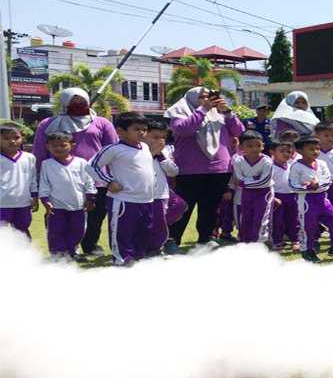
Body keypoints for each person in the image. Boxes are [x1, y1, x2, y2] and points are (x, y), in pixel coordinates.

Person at [33, 88, 119, 256]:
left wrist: (113, 177)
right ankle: (63, 247)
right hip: (58, 180)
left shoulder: (101, 122)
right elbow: (39, 152)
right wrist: (38, 179)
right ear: (65, 101)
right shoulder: (49, 123)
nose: (78, 104)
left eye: (81, 100)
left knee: (95, 215)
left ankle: (90, 244)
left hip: (96, 178)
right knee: (59, 216)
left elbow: (113, 150)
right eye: (73, 101)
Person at [165, 87, 244, 247]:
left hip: (219, 170)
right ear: (192, 98)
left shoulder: (220, 115)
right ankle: (172, 239)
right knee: (183, 207)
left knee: (211, 207)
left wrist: (227, 112)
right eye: (202, 97)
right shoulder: (180, 112)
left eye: (210, 97)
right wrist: (203, 110)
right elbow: (184, 129)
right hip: (189, 170)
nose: (208, 100)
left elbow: (238, 131)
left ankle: (206, 238)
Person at [88, 112, 155, 265]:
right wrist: (108, 182)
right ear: (120, 131)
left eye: (144, 129)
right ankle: (122, 260)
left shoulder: (144, 147)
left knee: (143, 232)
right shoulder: (114, 149)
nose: (142, 132)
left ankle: (138, 259)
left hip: (146, 200)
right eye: (136, 129)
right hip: (124, 201)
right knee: (123, 233)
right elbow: (91, 166)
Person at [288, 136, 333, 261]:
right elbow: (292, 185)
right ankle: (307, 250)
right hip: (306, 201)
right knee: (308, 227)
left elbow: (328, 180)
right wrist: (307, 187)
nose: (315, 152)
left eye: (317, 149)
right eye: (311, 149)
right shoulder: (296, 167)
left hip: (323, 199)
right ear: (300, 151)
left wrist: (316, 185)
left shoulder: (322, 164)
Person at [38, 131, 96, 259]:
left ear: (72, 146)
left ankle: (71, 251)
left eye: (63, 145)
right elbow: (44, 184)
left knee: (78, 231)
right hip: (56, 206)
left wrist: (90, 198)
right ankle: (58, 254)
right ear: (48, 147)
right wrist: (45, 200)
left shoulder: (81, 162)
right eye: (54, 146)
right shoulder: (47, 164)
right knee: (56, 231)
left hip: (78, 206)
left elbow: (88, 181)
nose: (58, 148)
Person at [232, 131, 274, 243]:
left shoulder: (267, 162)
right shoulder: (238, 160)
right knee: (246, 216)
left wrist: (245, 182)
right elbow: (238, 178)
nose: (255, 149)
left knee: (260, 218)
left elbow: (265, 181)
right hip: (246, 193)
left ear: (263, 146)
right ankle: (245, 241)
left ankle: (259, 243)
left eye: (258, 145)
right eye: (250, 146)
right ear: (241, 147)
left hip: (264, 193)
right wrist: (255, 178)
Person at [144, 122, 179, 255]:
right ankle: (143, 248)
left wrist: (161, 156)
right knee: (145, 223)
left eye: (163, 137)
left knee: (159, 224)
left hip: (160, 194)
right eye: (155, 137)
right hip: (142, 195)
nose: (160, 141)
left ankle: (156, 249)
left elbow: (173, 171)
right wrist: (152, 153)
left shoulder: (165, 151)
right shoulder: (138, 150)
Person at [0, 125, 38, 236]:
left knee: (22, 230)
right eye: (6, 138)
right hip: (2, 204)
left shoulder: (29, 158)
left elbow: (33, 179)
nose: (12, 141)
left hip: (23, 203)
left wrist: (34, 196)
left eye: (16, 138)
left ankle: (24, 252)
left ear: (23, 138)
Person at [270, 141, 299, 251]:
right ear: (272, 152)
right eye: (281, 151)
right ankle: (277, 241)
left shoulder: (293, 166)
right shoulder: (270, 167)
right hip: (277, 198)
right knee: (277, 221)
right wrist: (273, 198)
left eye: (288, 151)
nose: (286, 154)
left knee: (293, 220)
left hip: (292, 196)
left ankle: (295, 240)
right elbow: (267, 185)